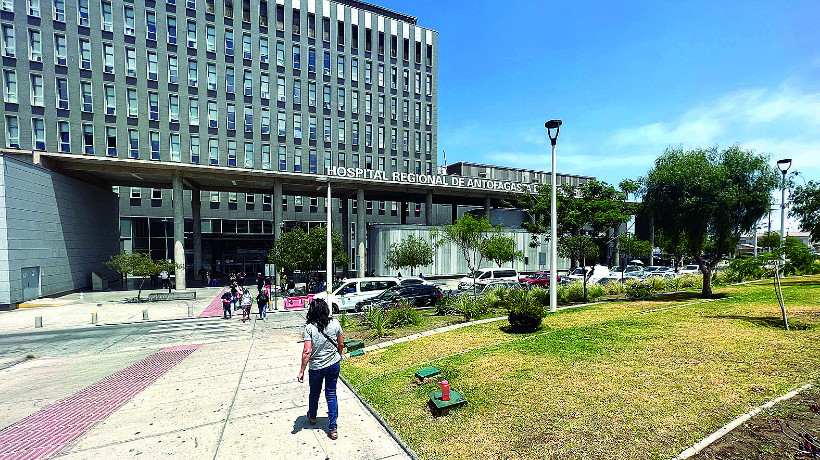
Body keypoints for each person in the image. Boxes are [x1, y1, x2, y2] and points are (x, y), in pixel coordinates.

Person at [297, 299, 343, 440]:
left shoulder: (309, 328)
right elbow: (341, 344)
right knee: (331, 394)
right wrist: (339, 355)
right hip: (333, 365)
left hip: (316, 367)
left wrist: (302, 370)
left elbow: (307, 351)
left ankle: (312, 416)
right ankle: (333, 428)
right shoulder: (335, 323)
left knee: (314, 393)